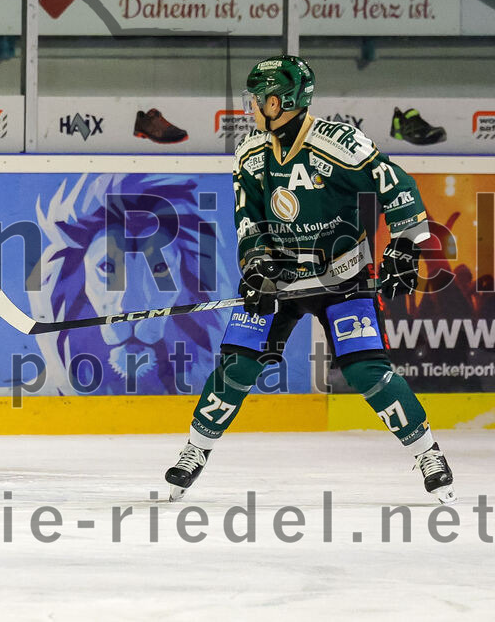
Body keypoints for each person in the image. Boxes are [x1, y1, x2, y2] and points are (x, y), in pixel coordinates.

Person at [164, 55, 455, 504]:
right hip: (280, 279)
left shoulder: (339, 143)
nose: (251, 106)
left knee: (365, 370)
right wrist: (256, 268)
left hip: (343, 277)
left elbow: (398, 186)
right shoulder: (250, 153)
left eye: (258, 98)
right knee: (238, 364)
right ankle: (195, 450)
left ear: (279, 102)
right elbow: (248, 219)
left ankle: (427, 453)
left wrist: (405, 245)